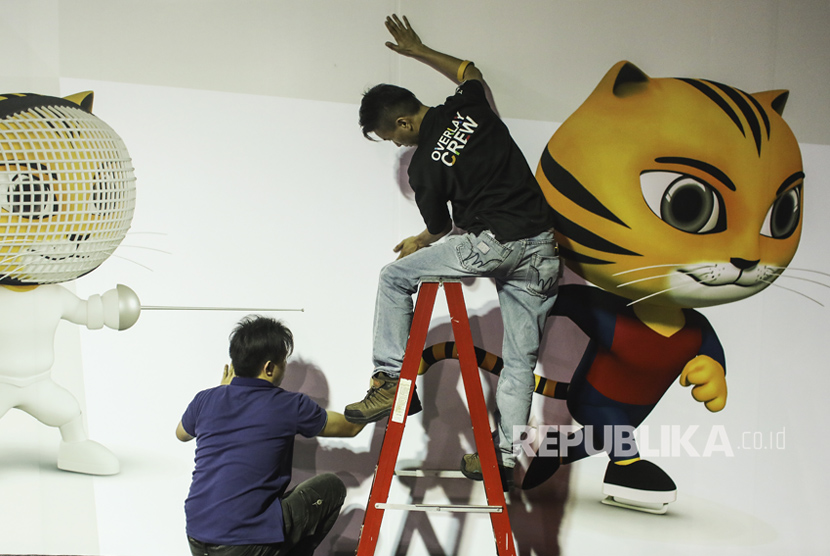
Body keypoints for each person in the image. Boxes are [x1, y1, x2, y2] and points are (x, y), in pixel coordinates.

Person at [345, 15, 560, 490]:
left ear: (402, 121)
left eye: (391, 136)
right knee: (521, 361)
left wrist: (419, 242)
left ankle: (386, 381)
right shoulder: (472, 106)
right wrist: (418, 50)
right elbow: (470, 70)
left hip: (491, 244)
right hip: (542, 247)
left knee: (394, 277)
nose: (396, 144)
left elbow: (442, 227)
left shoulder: (423, 167)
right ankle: (502, 460)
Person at [177, 315, 365, 556]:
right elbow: (351, 427)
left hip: (197, 535)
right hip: (244, 544)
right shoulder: (288, 405)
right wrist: (383, 397)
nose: (284, 369)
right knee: (331, 487)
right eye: (283, 362)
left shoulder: (206, 399)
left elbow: (181, 433)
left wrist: (222, 392)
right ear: (269, 368)